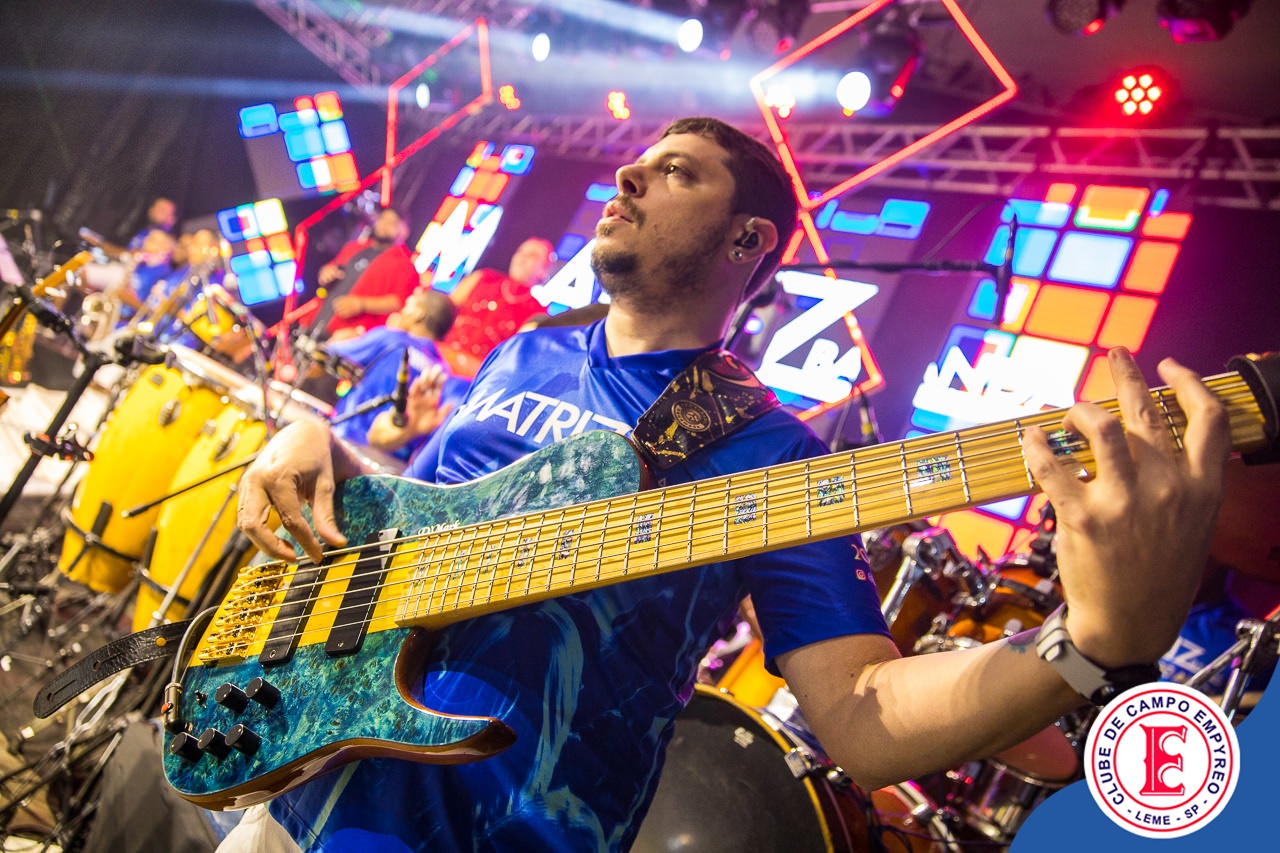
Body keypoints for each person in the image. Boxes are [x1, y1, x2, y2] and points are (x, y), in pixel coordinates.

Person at [236, 117, 1231, 851]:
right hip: (299, 775)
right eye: (638, 162)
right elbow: (410, 523)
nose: (627, 173)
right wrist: (322, 444)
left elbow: (862, 712)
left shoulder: (771, 453)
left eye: (675, 171)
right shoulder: (526, 350)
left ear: (747, 241)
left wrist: (1085, 644)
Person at [325, 288, 469, 465]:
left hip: (344, 443)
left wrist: (340, 339)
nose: (401, 311)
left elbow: (326, 354)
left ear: (419, 314)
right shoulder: (442, 372)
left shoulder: (391, 339)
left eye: (408, 305)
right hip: (390, 467)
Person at [437, 237, 555, 376]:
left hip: (477, 377)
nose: (522, 258)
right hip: (439, 356)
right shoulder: (483, 278)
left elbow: (518, 360)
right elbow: (441, 312)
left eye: (532, 256)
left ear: (544, 269)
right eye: (520, 251)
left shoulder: (537, 313)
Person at [312, 207, 420, 343]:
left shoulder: (405, 266)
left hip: (350, 335)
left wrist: (361, 304)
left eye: (392, 222)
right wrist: (326, 272)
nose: (384, 225)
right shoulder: (353, 248)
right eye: (382, 219)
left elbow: (399, 301)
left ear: (405, 231)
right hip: (319, 319)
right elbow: (330, 268)